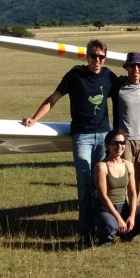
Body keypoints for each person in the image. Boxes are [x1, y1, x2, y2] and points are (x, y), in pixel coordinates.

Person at [23, 39, 116, 246]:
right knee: (85, 184)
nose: (97, 60)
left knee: (101, 185)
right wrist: (34, 119)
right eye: (93, 56)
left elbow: (128, 92)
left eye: (101, 57)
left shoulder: (109, 76)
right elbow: (53, 98)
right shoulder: (75, 74)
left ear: (105, 58)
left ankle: (104, 231)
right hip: (82, 136)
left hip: (103, 136)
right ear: (87, 56)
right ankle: (85, 233)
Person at [94, 129, 140, 245]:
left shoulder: (128, 165)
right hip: (107, 209)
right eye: (115, 143)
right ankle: (106, 238)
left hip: (124, 207)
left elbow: (132, 192)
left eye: (122, 143)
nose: (119, 146)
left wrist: (131, 217)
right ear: (108, 145)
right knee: (111, 225)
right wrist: (119, 219)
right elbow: (103, 197)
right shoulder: (101, 167)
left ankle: (128, 234)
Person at [112, 51, 140, 197]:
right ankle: (124, 207)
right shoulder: (118, 86)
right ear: (126, 67)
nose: (136, 69)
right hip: (124, 141)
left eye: (139, 66)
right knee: (124, 175)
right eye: (133, 66)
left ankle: (136, 205)